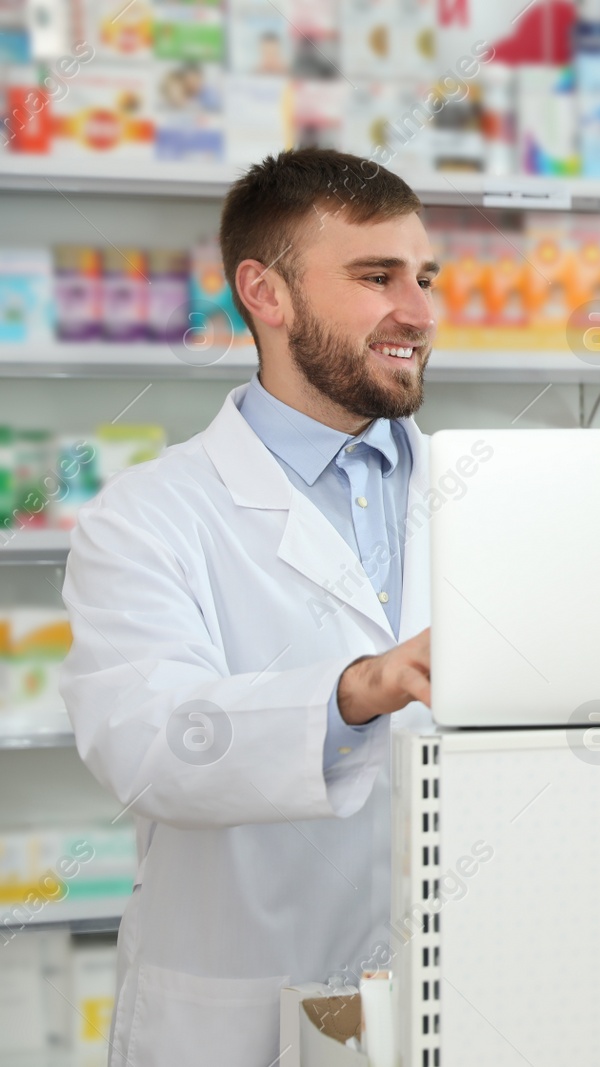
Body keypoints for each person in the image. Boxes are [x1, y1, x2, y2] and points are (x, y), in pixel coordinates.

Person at [61, 148, 438, 1066]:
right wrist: (358, 689)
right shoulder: (148, 516)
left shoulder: (485, 494)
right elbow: (146, 742)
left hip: (452, 998)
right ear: (265, 294)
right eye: (375, 276)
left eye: (424, 278)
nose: (419, 313)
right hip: (241, 1009)